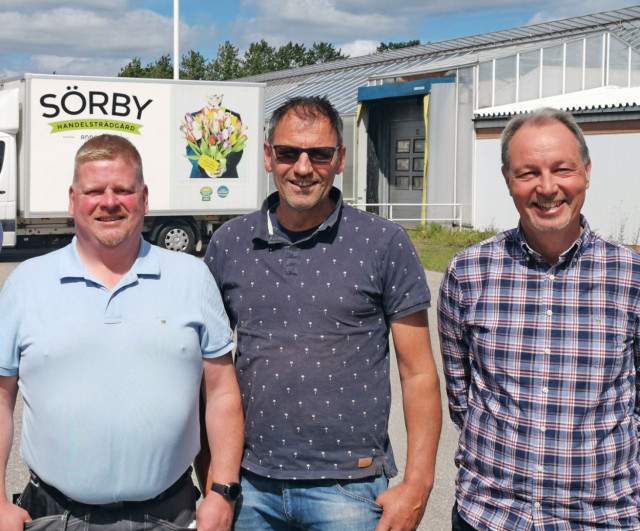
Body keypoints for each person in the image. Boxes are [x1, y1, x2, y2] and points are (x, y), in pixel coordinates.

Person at [205, 95, 442, 530]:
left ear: (340, 159)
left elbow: (419, 372)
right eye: (288, 153)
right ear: (267, 156)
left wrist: (418, 483)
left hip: (349, 489)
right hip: (249, 486)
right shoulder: (230, 244)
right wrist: (214, 482)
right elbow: (208, 370)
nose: (302, 167)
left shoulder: (383, 242)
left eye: (319, 154)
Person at [0, 134, 244, 530]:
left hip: (170, 515)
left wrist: (222, 491)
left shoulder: (192, 278)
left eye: (123, 190)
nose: (109, 201)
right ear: (73, 199)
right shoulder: (26, 283)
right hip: (55, 516)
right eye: (94, 190)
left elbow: (221, 393)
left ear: (144, 199)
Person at [438, 107, 640, 530]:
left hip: (600, 518)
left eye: (561, 169)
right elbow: (463, 399)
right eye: (528, 172)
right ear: (508, 179)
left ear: (586, 171)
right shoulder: (468, 272)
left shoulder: (630, 277)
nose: (547, 188)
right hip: (490, 517)